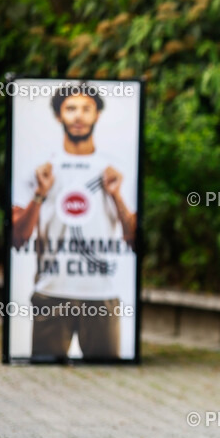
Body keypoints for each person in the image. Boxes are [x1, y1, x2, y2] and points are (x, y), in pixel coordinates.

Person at [11, 82, 137, 360]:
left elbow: (134, 239)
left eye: (86, 109)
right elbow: (18, 237)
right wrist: (39, 194)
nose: (78, 116)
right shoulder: (39, 168)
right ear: (59, 115)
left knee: (107, 379)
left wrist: (116, 196)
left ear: (97, 115)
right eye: (70, 109)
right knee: (44, 380)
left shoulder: (116, 170)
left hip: (102, 294)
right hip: (51, 291)